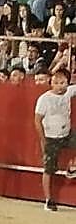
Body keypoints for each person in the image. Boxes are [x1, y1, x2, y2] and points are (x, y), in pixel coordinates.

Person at [33, 69, 76, 211]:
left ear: (67, 83)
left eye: (62, 82)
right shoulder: (44, 99)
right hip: (50, 138)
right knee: (49, 169)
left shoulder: (69, 92)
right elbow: (37, 120)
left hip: (66, 133)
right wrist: (43, 140)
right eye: (56, 83)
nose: (59, 86)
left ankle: (72, 166)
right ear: (51, 83)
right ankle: (48, 199)